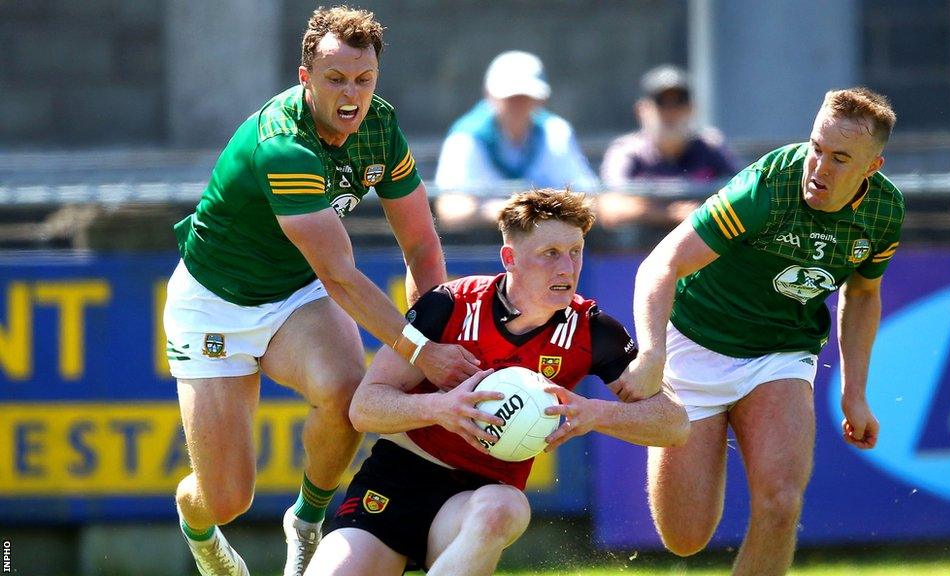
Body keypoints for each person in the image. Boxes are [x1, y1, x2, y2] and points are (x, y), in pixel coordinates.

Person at [162, 6, 479, 576]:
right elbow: (339, 274)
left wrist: (438, 331)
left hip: (292, 296)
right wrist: (421, 352)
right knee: (227, 497)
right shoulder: (285, 145)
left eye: (363, 79)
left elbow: (423, 247)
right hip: (214, 305)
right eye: (335, 79)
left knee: (348, 394)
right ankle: (199, 527)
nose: (352, 95)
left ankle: (307, 521)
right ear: (306, 78)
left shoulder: (380, 126)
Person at [304, 189, 689, 576]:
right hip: (397, 480)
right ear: (510, 258)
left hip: (481, 496)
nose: (567, 268)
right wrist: (439, 408)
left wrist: (594, 413)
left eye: (575, 251)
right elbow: (364, 408)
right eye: (550, 253)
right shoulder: (451, 305)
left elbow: (674, 423)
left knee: (502, 509)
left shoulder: (591, 330)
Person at [627, 87, 902, 575]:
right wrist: (651, 356)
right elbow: (661, 265)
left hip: (782, 352)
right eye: (816, 149)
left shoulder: (884, 211)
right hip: (695, 341)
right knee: (686, 538)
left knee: (781, 502)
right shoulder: (767, 187)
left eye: (840, 159)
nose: (819, 168)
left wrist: (855, 393)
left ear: (871, 168)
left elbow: (861, 295)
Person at [434, 51, 599, 193]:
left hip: (548, 230)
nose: (518, 104)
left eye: (526, 97)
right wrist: (520, 213)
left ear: (541, 99)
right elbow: (453, 210)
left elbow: (588, 196)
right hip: (483, 231)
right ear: (489, 95)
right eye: (510, 97)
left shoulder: (556, 132)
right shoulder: (465, 137)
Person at [600, 64, 739, 186]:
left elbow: (741, 195)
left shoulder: (710, 147)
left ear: (692, 109)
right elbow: (609, 203)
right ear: (641, 110)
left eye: (679, 102)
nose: (671, 112)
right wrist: (672, 213)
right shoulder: (627, 151)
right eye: (661, 102)